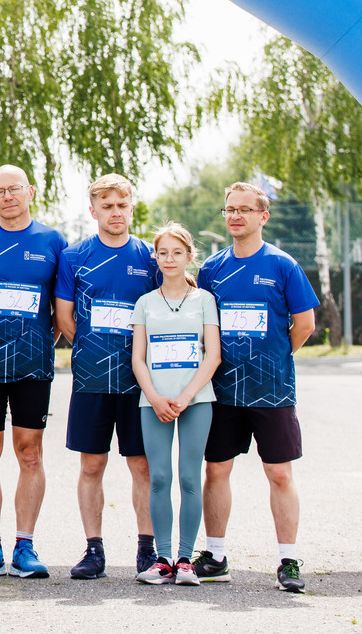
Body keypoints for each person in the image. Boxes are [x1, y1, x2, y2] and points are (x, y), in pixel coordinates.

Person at [194, 182, 319, 593]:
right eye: (230, 209)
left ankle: (288, 561)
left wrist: (276, 357)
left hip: (272, 391)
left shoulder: (283, 265)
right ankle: (215, 557)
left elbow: (305, 324)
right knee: (216, 469)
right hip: (224, 391)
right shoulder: (212, 269)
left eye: (244, 209)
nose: (235, 216)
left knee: (279, 473)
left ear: (263, 216)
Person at [0, 165, 68, 578]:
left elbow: (60, 307)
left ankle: (25, 546)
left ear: (30, 192)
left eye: (14, 189)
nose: (7, 197)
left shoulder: (53, 242)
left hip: (32, 366)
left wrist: (41, 342)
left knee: (30, 453)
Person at [55, 173, 158, 580]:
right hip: (92, 380)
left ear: (131, 208)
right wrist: (96, 353)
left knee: (142, 466)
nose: (115, 212)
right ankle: (93, 550)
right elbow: (65, 319)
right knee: (91, 465)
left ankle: (147, 550)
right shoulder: (74, 257)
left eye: (122, 205)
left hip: (140, 383)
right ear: (93, 210)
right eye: (107, 206)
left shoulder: (151, 257)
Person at [130, 223, 221, 587]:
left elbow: (212, 355)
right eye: (163, 253)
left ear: (189, 256)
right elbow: (138, 359)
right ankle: (163, 559)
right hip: (153, 402)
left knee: (188, 477)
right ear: (156, 257)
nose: (170, 259)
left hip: (196, 401)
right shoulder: (145, 303)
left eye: (177, 253)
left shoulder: (204, 300)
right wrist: (155, 398)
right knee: (159, 477)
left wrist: (186, 397)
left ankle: (185, 560)